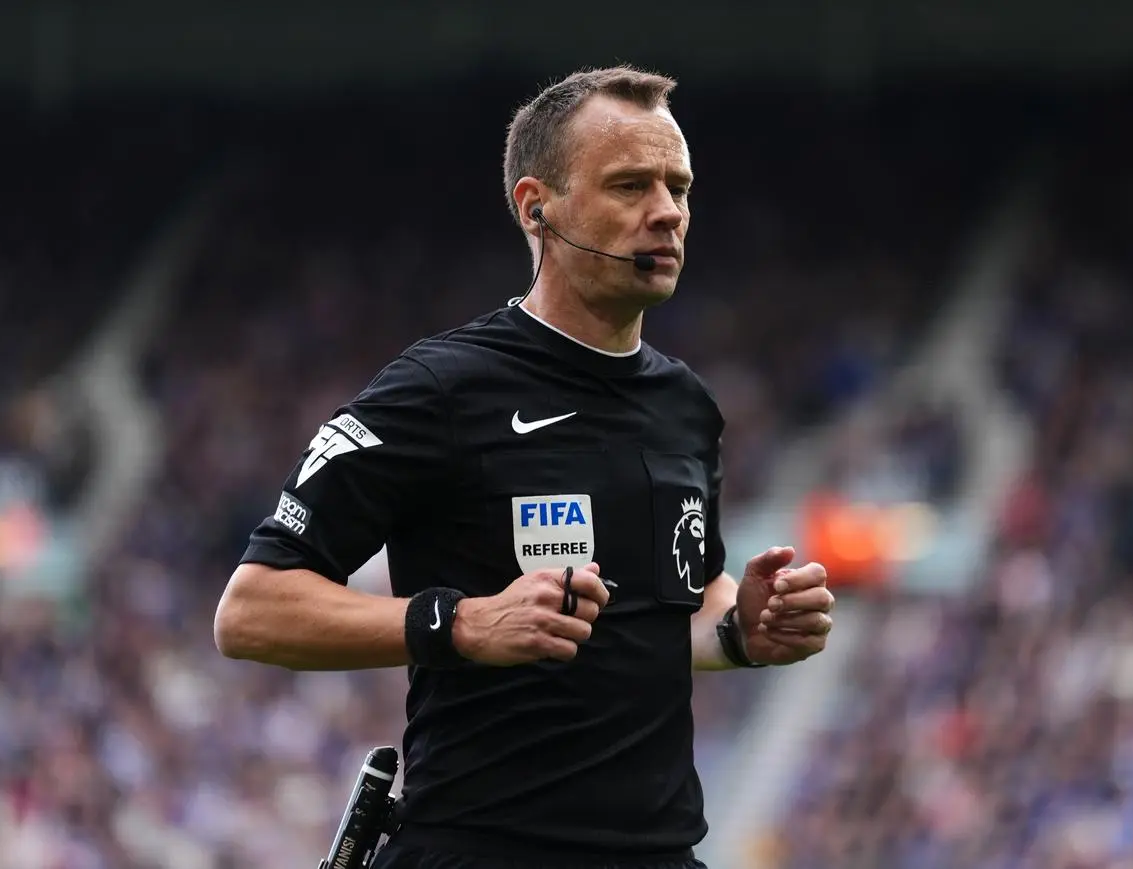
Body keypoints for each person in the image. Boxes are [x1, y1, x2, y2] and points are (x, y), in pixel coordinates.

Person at [213, 65, 835, 869]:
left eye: (678, 186)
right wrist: (461, 623)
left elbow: (659, 621)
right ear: (537, 207)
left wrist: (742, 629)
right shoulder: (439, 389)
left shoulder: (687, 406)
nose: (668, 213)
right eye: (630, 185)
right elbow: (251, 610)